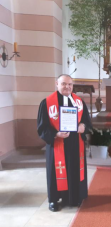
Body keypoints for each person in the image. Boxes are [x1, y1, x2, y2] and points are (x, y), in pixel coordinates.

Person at [37, 74, 92, 212]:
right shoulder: (47, 103)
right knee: (55, 172)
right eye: (64, 84)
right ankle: (54, 200)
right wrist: (56, 134)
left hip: (75, 144)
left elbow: (87, 121)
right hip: (57, 144)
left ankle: (74, 198)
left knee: (74, 169)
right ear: (57, 84)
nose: (67, 87)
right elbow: (42, 127)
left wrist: (83, 127)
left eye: (70, 84)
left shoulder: (79, 102)